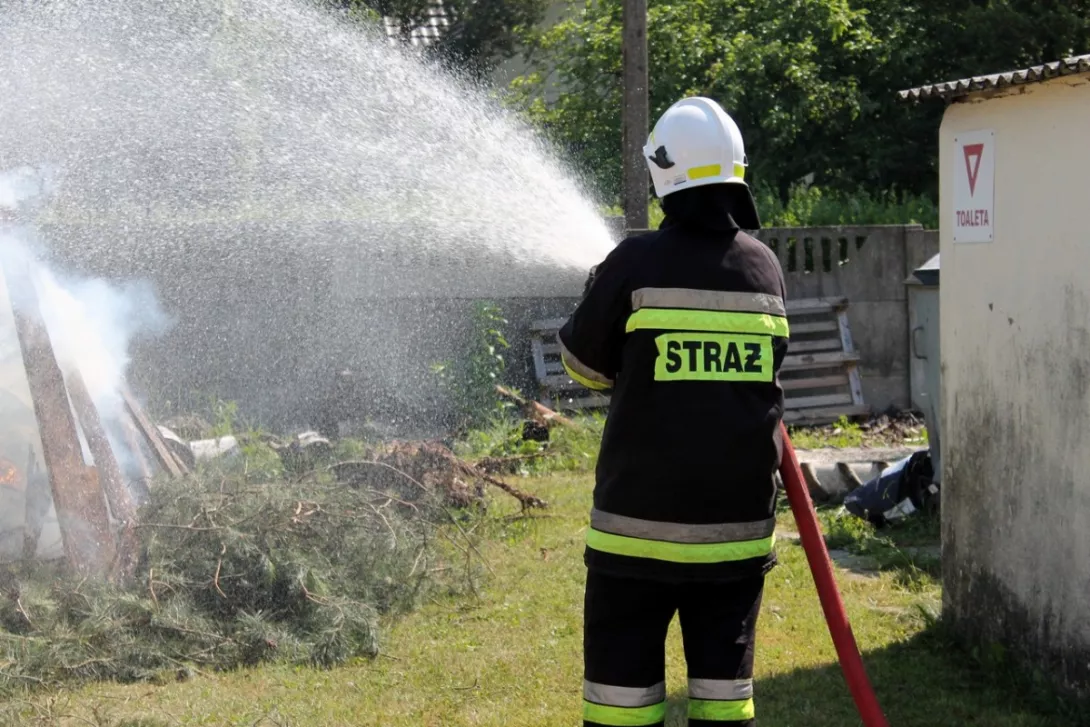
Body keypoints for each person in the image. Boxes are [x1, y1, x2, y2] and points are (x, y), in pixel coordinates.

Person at [558, 96, 790, 727]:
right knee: (723, 698)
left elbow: (581, 366)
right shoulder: (764, 269)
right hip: (735, 540)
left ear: (664, 174)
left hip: (636, 535)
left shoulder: (633, 262)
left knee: (621, 705)